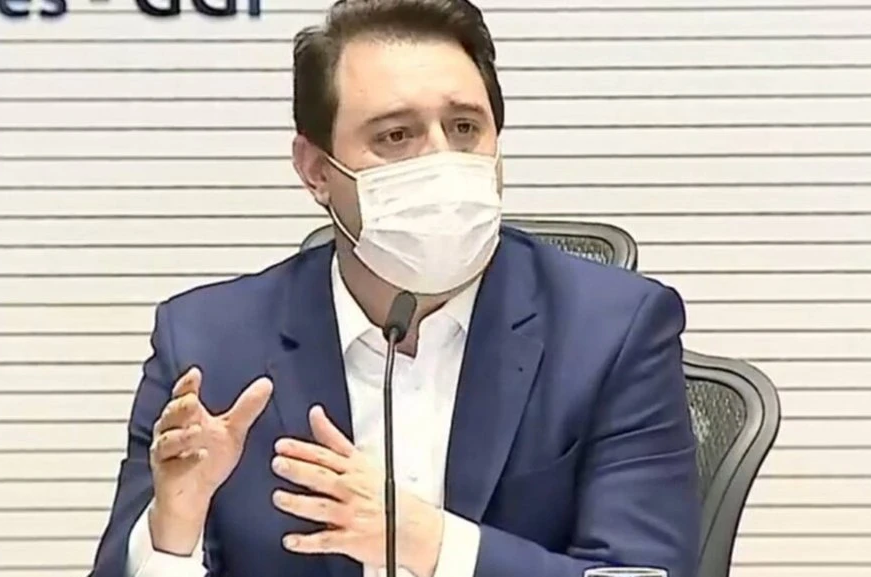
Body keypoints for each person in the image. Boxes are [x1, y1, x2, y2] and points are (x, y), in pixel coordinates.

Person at [87, 1, 701, 576]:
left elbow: (641, 572)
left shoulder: (613, 332)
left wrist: (427, 542)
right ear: (316, 170)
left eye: (465, 128)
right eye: (396, 137)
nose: (441, 160)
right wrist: (175, 529)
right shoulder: (208, 343)